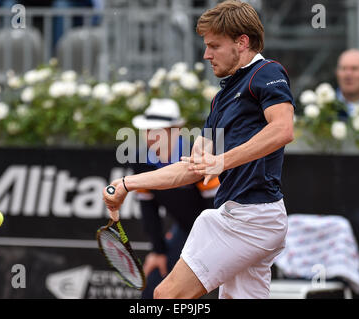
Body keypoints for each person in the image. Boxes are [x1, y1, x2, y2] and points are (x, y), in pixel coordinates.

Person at [103, 0, 295, 299]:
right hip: (241, 216)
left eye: (214, 46)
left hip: (252, 218)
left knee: (166, 296)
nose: (206, 54)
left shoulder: (267, 72)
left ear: (242, 42)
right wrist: (127, 184)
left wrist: (222, 161)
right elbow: (191, 168)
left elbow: (282, 130)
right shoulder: (222, 98)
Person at [129, 98, 218, 299]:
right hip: (185, 231)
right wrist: (159, 251)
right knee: (153, 288)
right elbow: (148, 209)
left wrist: (203, 252)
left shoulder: (197, 157)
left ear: (175, 130)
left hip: (215, 232)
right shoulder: (141, 161)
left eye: (158, 130)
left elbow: (215, 208)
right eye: (148, 130)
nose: (151, 137)